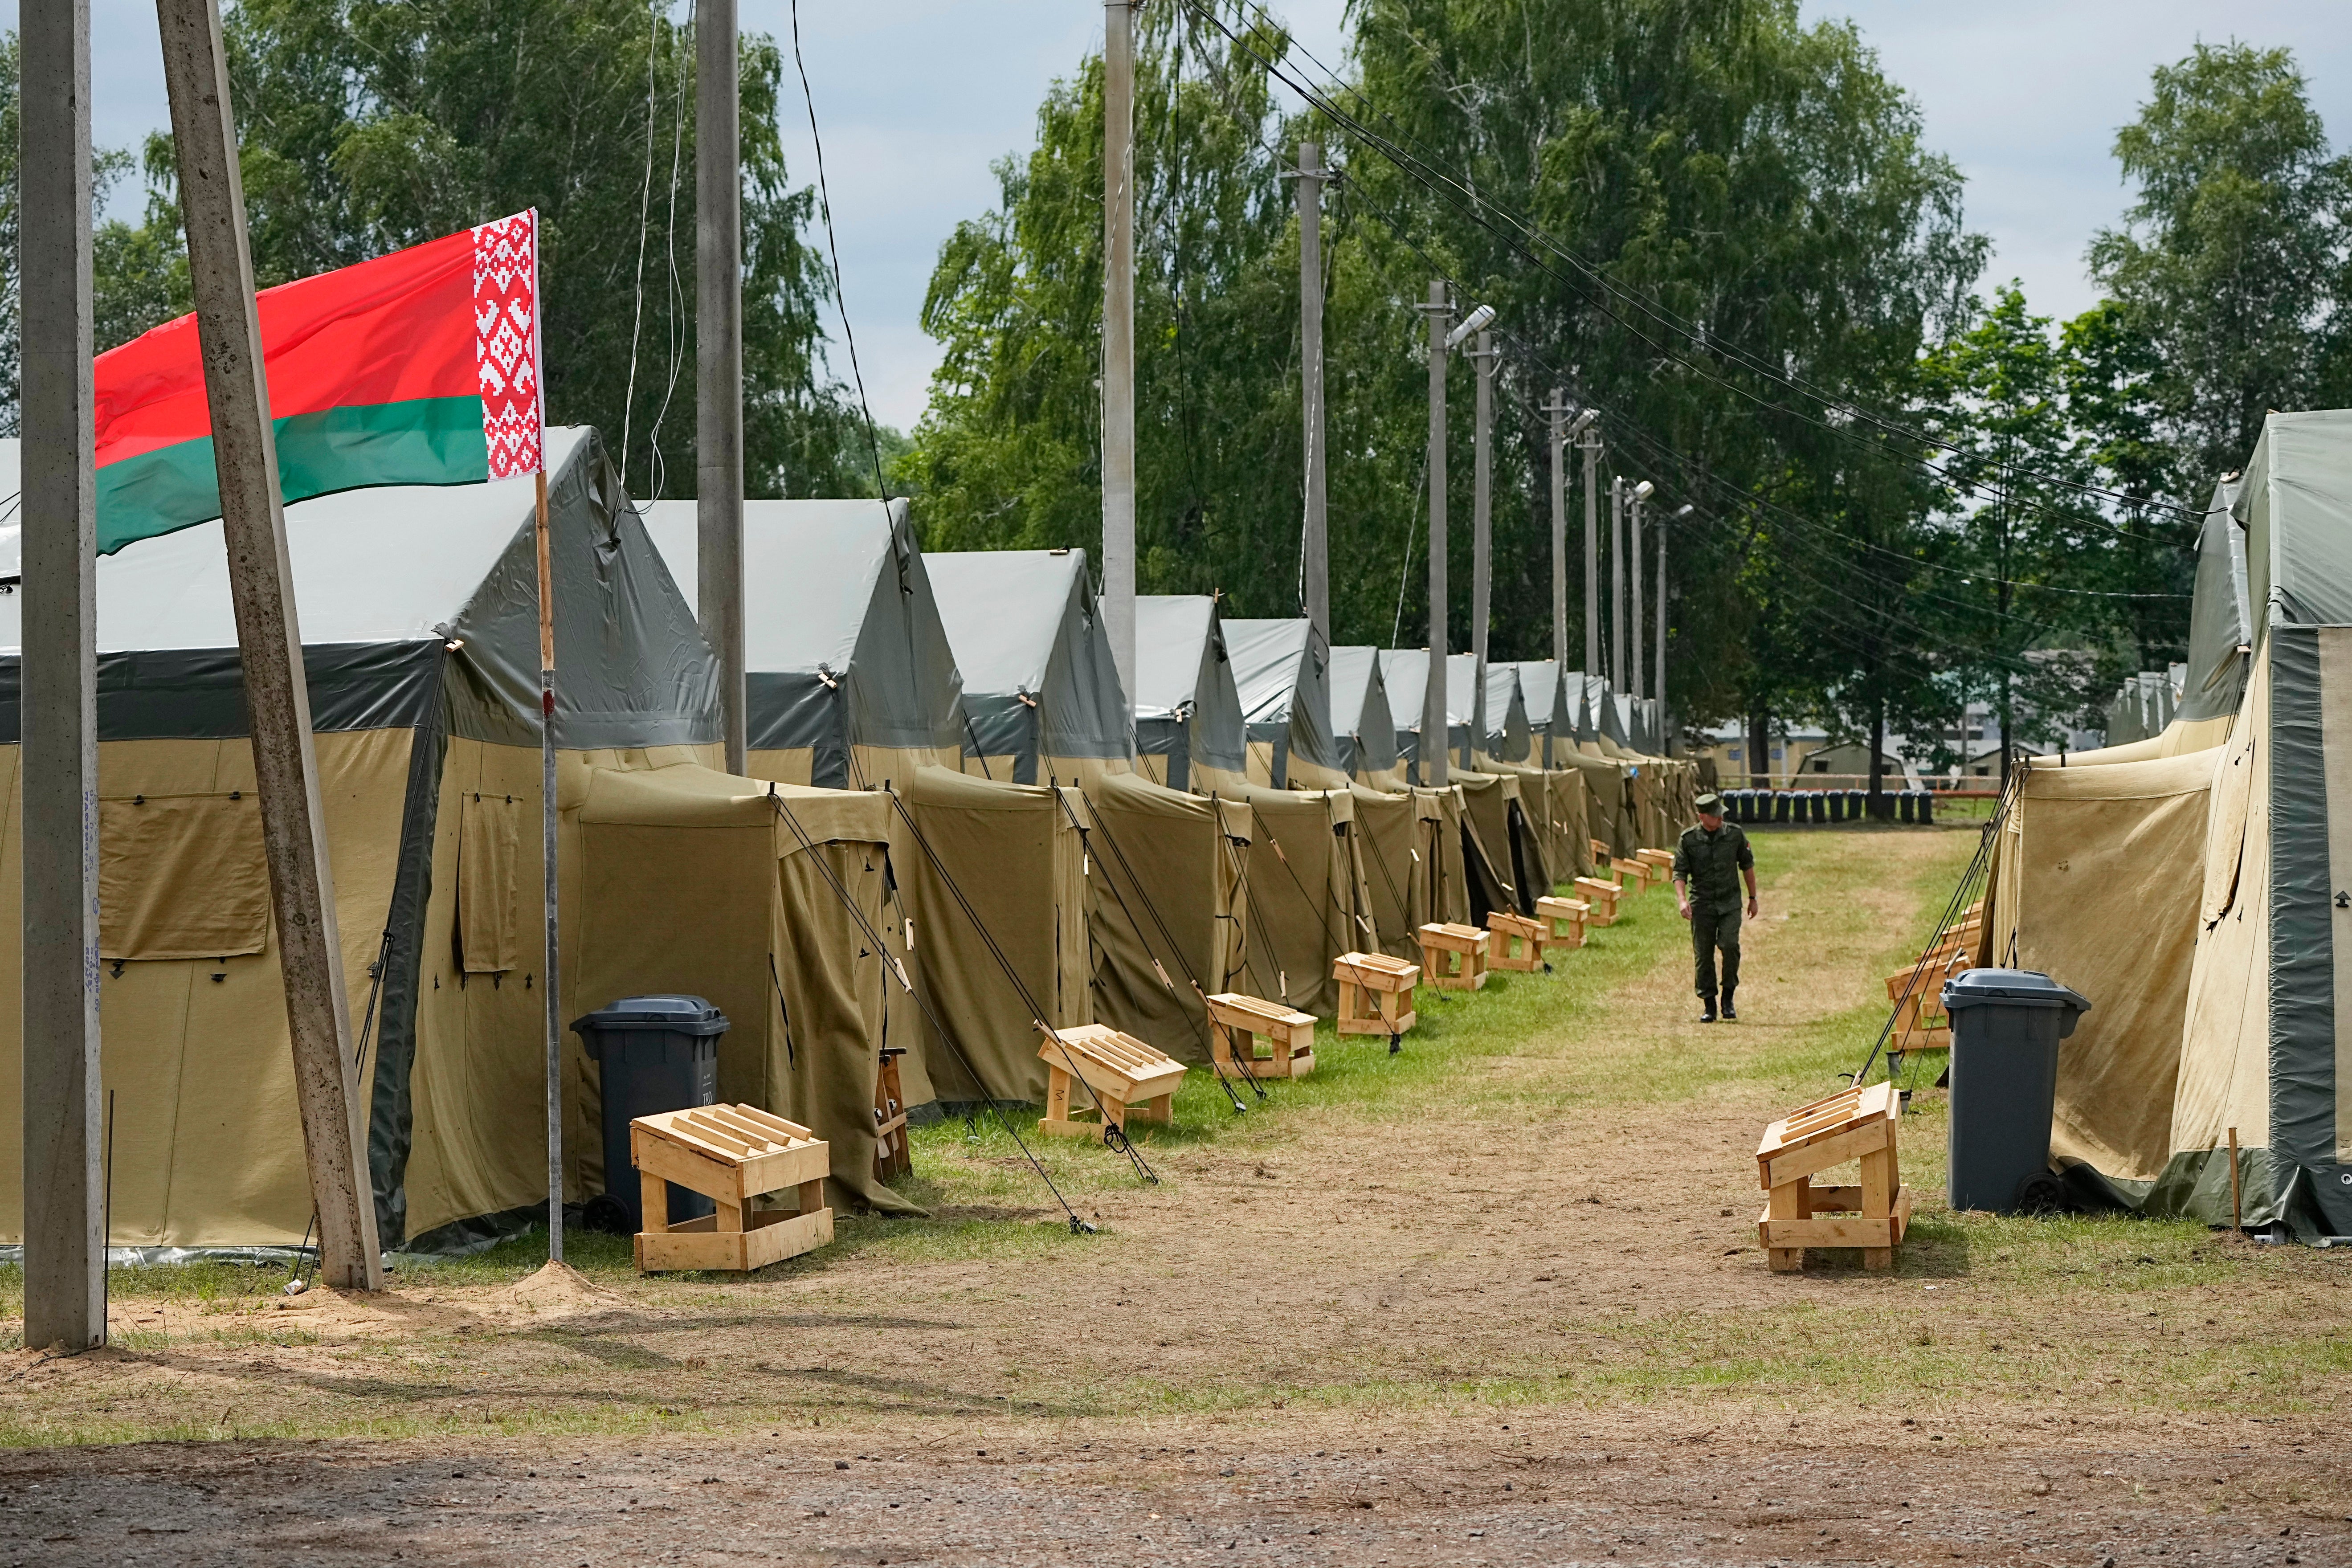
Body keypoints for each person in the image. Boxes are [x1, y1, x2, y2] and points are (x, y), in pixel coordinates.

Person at [1674, 792, 1756, 1023]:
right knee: (1703, 955)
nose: (1720, 819)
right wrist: (1682, 900)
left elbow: (1747, 865)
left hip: (1729, 902)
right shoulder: (1688, 840)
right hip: (1703, 905)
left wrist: (1753, 897)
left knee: (1730, 946)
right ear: (1702, 816)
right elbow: (1679, 872)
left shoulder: (1735, 835)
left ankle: (1728, 997)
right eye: (1715, 816)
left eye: (1721, 815)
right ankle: (1709, 1004)